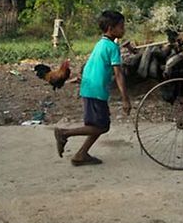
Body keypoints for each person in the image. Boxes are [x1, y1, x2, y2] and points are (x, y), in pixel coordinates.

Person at [54, 10, 131, 166]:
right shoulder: (112, 47)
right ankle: (64, 133)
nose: (124, 30)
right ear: (111, 28)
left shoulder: (102, 43)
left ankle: (81, 155)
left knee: (96, 125)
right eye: (121, 26)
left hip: (89, 87)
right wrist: (125, 99)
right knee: (102, 126)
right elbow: (118, 74)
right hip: (96, 90)